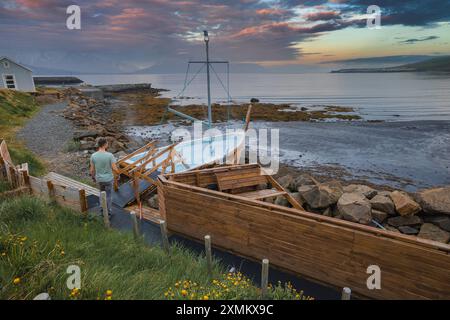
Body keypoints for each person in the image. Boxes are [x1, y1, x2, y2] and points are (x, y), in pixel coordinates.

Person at [90, 138, 118, 217]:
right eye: (107, 143)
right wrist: (118, 174)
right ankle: (108, 211)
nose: (108, 144)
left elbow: (92, 170)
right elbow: (115, 168)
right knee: (109, 195)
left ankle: (102, 209)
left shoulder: (93, 156)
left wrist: (93, 178)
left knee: (101, 193)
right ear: (105, 145)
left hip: (99, 179)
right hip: (108, 179)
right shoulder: (110, 155)